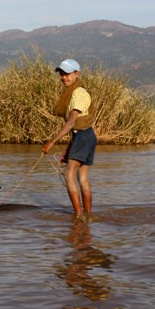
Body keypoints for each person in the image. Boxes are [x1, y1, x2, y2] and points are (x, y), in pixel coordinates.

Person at [42, 58, 97, 220]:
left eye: (67, 74)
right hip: (85, 136)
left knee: (69, 174)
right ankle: (87, 215)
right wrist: (67, 152)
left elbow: (72, 122)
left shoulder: (79, 93)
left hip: (84, 136)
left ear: (76, 74)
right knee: (82, 177)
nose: (64, 77)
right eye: (62, 74)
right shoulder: (71, 92)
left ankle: (79, 215)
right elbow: (74, 129)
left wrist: (51, 142)